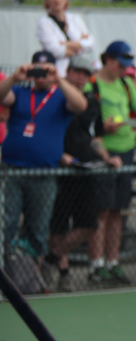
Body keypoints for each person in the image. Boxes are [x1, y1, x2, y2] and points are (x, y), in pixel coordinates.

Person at [0, 52, 87, 273]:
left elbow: (81, 105)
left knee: (38, 227)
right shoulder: (20, 92)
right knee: (6, 224)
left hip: (44, 174)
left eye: (46, 70)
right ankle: (5, 272)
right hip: (13, 171)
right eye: (37, 70)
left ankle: (32, 273)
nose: (41, 76)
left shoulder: (59, 96)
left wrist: (58, 80)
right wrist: (15, 78)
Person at [43, 56, 121, 292]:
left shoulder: (90, 101)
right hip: (60, 170)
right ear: (67, 71)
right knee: (58, 225)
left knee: (88, 224)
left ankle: (50, 258)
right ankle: (63, 274)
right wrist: (58, 154)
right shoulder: (53, 97)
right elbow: (44, 131)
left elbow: (95, 136)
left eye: (85, 74)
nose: (80, 77)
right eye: (76, 71)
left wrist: (107, 157)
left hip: (85, 170)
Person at [84, 41, 136, 285]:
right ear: (108, 60)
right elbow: (88, 123)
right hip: (103, 151)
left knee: (117, 210)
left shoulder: (125, 83)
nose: (124, 70)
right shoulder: (91, 85)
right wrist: (105, 128)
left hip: (126, 150)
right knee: (100, 210)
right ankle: (96, 265)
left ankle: (113, 263)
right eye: (120, 65)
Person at [35, 0, 95, 77]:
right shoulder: (44, 22)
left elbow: (91, 44)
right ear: (47, 0)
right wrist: (80, 45)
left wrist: (65, 44)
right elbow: (56, 51)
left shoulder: (75, 18)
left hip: (79, 71)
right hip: (60, 73)